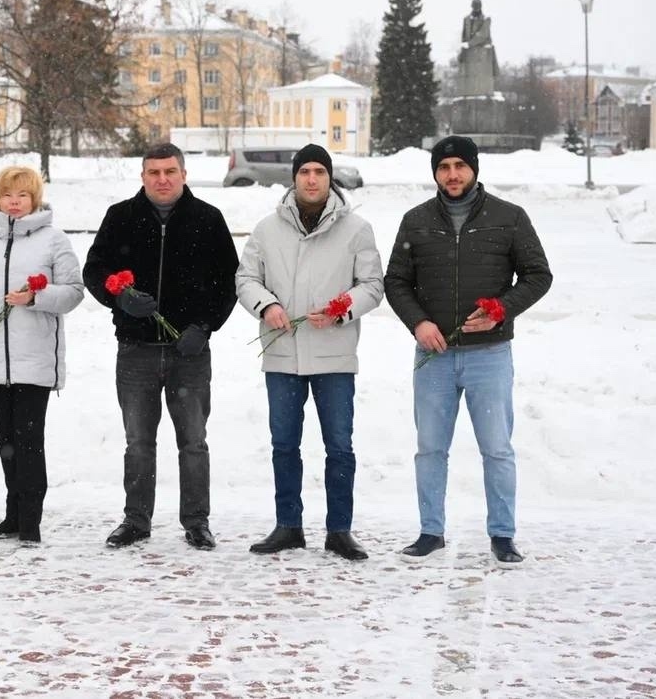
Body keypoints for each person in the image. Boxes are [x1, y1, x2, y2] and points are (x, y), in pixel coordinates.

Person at [384, 135, 552, 566]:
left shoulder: (508, 217)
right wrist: (418, 323)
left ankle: (502, 534)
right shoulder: (416, 220)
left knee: (496, 447)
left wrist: (502, 310)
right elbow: (396, 281)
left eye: (460, 165)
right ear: (435, 172)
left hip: (489, 356)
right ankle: (430, 531)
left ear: (474, 168)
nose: (452, 174)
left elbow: (537, 275)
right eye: (444, 167)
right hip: (434, 356)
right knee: (430, 448)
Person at [83, 142, 239, 550]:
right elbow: (94, 269)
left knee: (193, 440)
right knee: (138, 441)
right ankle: (136, 520)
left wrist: (205, 327)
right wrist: (119, 297)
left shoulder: (208, 219)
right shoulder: (121, 217)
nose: (163, 179)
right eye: (154, 172)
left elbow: (229, 282)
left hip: (190, 352)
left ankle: (197, 521)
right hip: (137, 351)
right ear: (143, 176)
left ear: (184, 174)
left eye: (170, 171)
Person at [236, 144, 383, 560]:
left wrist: (342, 309)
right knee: (284, 445)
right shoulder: (267, 229)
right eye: (305, 172)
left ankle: (339, 530)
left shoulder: (356, 229)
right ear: (294, 178)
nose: (312, 179)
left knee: (339, 446)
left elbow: (372, 285)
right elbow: (246, 279)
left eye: (320, 171)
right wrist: (268, 305)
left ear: (329, 177)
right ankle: (288, 526)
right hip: (282, 354)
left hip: (334, 355)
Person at [0, 166, 84, 546]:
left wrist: (35, 298)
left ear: (35, 199)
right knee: (5, 439)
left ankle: (31, 520)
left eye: (23, 195)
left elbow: (73, 291)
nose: (15, 202)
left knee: (28, 440)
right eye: (8, 195)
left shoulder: (54, 240)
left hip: (34, 361)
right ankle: (13, 512)